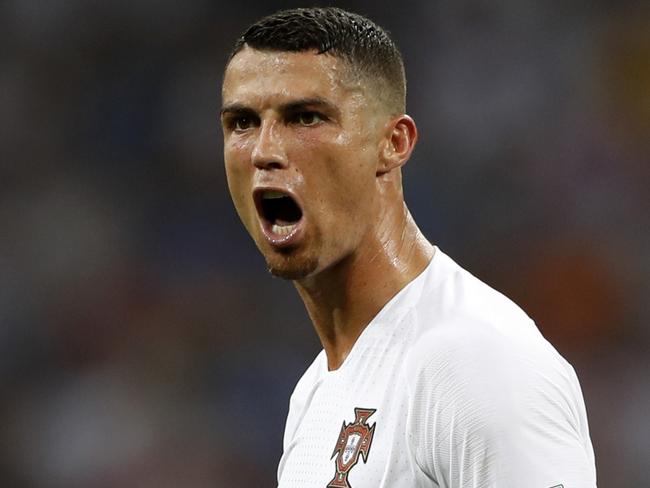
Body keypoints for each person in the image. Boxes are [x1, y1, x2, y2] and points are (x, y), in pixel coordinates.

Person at [220, 7, 597, 488]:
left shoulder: (475, 363)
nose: (264, 151)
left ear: (393, 143)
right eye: (242, 122)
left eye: (306, 117)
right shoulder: (316, 393)